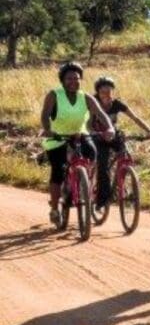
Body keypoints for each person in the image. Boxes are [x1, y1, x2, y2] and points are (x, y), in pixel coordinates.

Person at [41, 61, 115, 226]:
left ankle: (84, 182)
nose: (73, 81)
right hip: (57, 137)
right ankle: (54, 208)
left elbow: (101, 114)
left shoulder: (85, 97)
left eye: (76, 78)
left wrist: (110, 128)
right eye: (69, 79)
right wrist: (48, 129)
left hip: (79, 134)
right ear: (62, 80)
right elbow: (45, 115)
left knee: (92, 153)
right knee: (58, 171)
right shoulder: (54, 95)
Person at [90, 76, 150, 209]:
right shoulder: (93, 104)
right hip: (98, 137)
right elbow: (87, 124)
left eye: (109, 91)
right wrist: (94, 133)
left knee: (125, 155)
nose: (107, 95)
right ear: (98, 93)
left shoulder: (117, 104)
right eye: (103, 92)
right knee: (102, 165)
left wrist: (149, 131)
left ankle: (124, 184)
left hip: (113, 135)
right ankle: (102, 199)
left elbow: (135, 118)